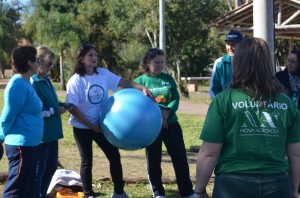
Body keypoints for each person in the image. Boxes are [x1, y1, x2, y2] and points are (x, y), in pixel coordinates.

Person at [194, 37, 300, 198]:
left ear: (238, 63)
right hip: (277, 184)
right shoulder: (286, 103)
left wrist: (199, 190)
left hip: (231, 185)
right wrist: (293, 191)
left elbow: (209, 153)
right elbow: (296, 154)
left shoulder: (223, 101)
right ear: (266, 63)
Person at [65, 44, 153, 198]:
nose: (94, 58)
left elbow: (123, 82)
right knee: (87, 160)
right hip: (82, 127)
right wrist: (91, 126)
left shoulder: (103, 74)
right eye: (90, 55)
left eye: (95, 55)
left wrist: (141, 88)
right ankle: (88, 194)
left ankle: (119, 192)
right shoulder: (75, 81)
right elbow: (72, 108)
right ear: (81, 59)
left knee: (114, 156)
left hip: (103, 126)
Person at [134, 48, 195, 198]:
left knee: (180, 158)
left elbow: (175, 97)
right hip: (151, 128)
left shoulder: (168, 79)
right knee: (154, 160)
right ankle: (158, 192)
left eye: (162, 62)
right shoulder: (139, 82)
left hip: (171, 124)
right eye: (157, 62)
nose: (161, 65)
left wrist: (167, 112)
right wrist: (156, 116)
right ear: (148, 63)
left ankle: (187, 192)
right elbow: (134, 103)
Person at [0, 46, 43, 197]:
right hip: (20, 146)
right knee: (15, 191)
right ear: (30, 62)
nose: (39, 63)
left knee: (28, 190)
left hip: (30, 144)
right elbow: (7, 115)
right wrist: (0, 136)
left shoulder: (27, 83)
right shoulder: (17, 83)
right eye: (37, 59)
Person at [31, 46, 67, 198]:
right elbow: (36, 110)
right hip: (41, 134)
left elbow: (50, 101)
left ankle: (42, 195)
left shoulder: (45, 79)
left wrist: (62, 104)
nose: (51, 68)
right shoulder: (33, 82)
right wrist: (54, 110)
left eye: (52, 64)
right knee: (39, 170)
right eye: (49, 64)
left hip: (53, 133)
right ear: (38, 62)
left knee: (51, 168)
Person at [209, 29, 243, 99]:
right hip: (225, 106)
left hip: (244, 106)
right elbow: (214, 89)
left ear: (241, 45)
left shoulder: (250, 61)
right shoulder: (219, 63)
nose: (230, 47)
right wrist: (221, 104)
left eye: (233, 44)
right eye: (228, 44)